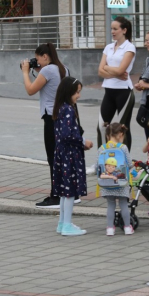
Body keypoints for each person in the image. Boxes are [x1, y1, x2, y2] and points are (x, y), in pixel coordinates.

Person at [21, 42, 69, 209]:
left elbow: (30, 90)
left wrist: (25, 72)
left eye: (37, 59)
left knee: (52, 157)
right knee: (62, 157)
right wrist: (37, 70)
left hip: (51, 117)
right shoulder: (62, 68)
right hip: (64, 117)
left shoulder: (48, 70)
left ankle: (55, 196)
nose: (37, 62)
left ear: (45, 57)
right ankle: (69, 192)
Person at [53, 77, 92, 236]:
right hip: (70, 156)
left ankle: (62, 223)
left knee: (64, 191)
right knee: (69, 192)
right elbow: (67, 134)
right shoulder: (69, 110)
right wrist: (83, 142)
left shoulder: (60, 108)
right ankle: (67, 225)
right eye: (77, 92)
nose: (79, 95)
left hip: (62, 155)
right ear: (68, 92)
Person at [97, 16, 136, 151]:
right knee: (102, 126)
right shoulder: (108, 47)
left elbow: (121, 70)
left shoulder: (129, 47)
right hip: (109, 90)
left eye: (115, 29)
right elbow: (100, 71)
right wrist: (113, 71)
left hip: (123, 91)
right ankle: (101, 160)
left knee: (123, 127)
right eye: (111, 29)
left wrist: (108, 68)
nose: (112, 32)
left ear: (124, 30)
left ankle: (125, 161)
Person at [96, 123, 134, 236]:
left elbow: (97, 166)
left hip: (107, 183)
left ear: (107, 136)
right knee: (123, 204)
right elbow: (129, 164)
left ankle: (110, 228)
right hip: (121, 183)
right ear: (121, 134)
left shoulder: (101, 148)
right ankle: (127, 227)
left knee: (111, 205)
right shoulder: (123, 148)